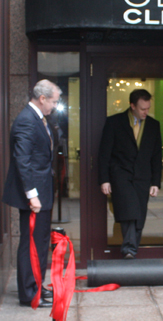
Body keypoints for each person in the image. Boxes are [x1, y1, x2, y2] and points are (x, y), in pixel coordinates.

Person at [3, 79, 61, 308]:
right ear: (42, 98)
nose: (55, 106)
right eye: (54, 101)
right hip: (34, 195)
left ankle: (37, 285)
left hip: (42, 192)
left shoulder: (39, 118)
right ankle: (29, 294)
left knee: (40, 241)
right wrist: (32, 195)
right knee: (31, 244)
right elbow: (22, 161)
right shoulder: (26, 120)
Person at [98, 89, 162, 259]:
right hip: (120, 175)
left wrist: (156, 182)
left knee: (139, 215)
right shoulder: (114, 122)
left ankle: (131, 249)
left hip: (143, 177)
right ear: (132, 106)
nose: (146, 112)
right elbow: (104, 153)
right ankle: (129, 249)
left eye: (148, 108)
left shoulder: (154, 125)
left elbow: (156, 156)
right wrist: (104, 179)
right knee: (129, 211)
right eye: (142, 109)